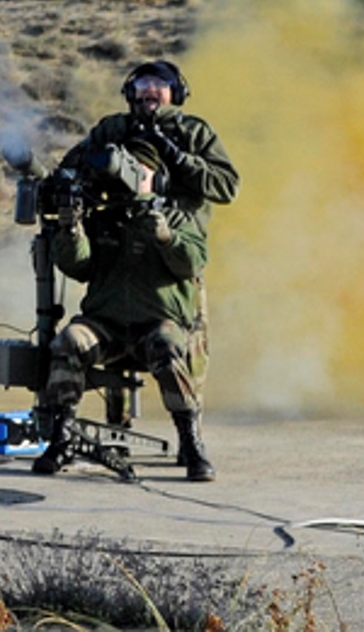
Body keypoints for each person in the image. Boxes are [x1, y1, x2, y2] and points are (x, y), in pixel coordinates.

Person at [31, 60, 240, 481]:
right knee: (69, 340)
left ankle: (191, 441)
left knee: (166, 343)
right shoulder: (112, 136)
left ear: (175, 93)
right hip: (108, 316)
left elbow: (225, 188)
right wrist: (71, 219)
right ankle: (62, 436)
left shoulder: (194, 135)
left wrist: (176, 162)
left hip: (161, 302)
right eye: (142, 85)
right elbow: (79, 261)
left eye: (160, 86)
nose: (150, 92)